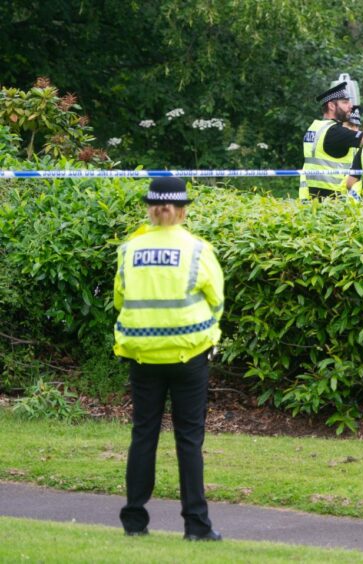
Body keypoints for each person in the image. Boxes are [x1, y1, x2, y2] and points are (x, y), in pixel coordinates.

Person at [114, 177, 225, 542]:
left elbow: (120, 299)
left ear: (149, 207)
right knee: (189, 439)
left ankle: (134, 521)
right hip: (188, 354)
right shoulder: (197, 249)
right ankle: (196, 525)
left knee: (143, 434)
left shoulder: (130, 249)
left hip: (143, 355)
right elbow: (216, 300)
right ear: (183, 209)